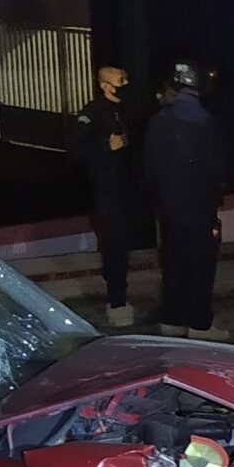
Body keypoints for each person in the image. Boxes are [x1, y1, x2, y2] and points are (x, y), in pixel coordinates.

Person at [142, 60, 234, 341]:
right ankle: (199, 324)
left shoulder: (157, 121)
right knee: (201, 264)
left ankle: (171, 319)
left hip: (169, 207)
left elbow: (147, 168)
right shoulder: (205, 122)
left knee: (173, 261)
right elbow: (220, 169)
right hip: (199, 206)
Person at [68, 64, 147, 328]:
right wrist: (106, 146)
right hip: (106, 191)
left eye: (126, 78)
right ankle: (117, 302)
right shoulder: (91, 112)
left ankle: (121, 296)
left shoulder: (128, 111)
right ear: (104, 84)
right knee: (113, 246)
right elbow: (78, 150)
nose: (125, 84)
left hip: (129, 189)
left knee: (124, 245)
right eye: (120, 80)